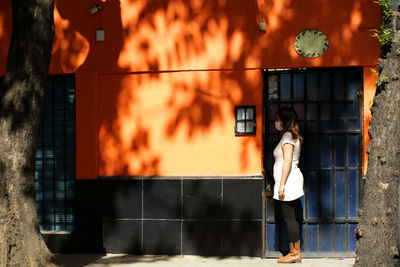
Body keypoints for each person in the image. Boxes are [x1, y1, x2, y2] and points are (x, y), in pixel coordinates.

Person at [273, 106, 304, 263]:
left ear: (284, 120)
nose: (276, 121)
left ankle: (294, 253)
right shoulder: (291, 136)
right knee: (289, 217)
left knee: (289, 218)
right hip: (289, 180)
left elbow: (287, 161)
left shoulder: (287, 136)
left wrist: (281, 184)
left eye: (278, 118)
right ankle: (294, 252)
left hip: (288, 182)